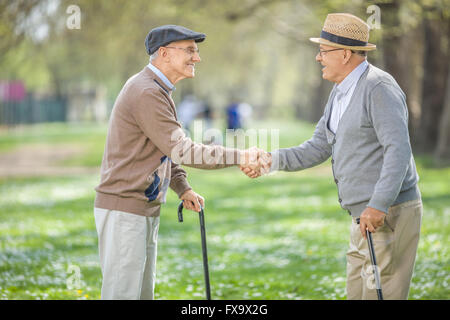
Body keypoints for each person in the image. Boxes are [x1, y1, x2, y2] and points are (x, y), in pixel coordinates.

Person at [241, 13, 422, 300]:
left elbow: (398, 151)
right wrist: (270, 160)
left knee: (381, 295)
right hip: (362, 217)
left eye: (324, 51)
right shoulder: (340, 92)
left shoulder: (379, 88)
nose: (318, 58)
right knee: (357, 294)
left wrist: (378, 205)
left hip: (388, 214)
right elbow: (318, 147)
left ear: (346, 54)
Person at [94, 25, 259, 300]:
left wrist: (182, 188)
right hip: (125, 209)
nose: (197, 58)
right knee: (122, 295)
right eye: (190, 51)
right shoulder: (146, 91)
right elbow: (183, 150)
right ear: (164, 54)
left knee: (141, 294)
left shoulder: (157, 90)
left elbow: (164, 149)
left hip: (140, 209)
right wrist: (240, 155)